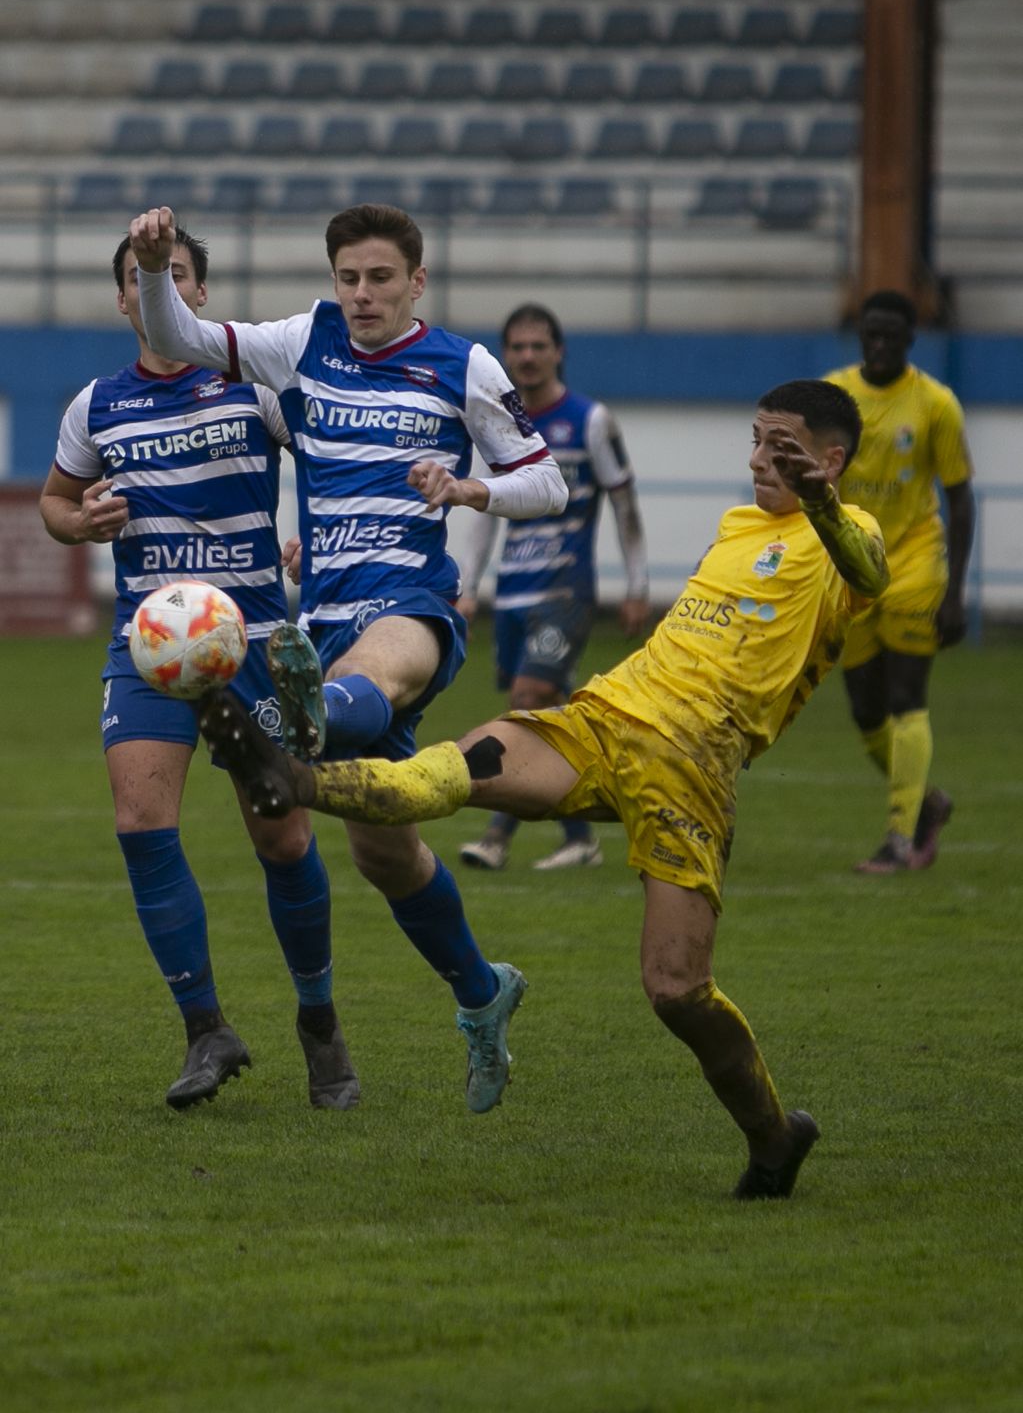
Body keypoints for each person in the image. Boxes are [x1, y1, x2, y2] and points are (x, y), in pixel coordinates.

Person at [197, 379, 889, 1199]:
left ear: (829, 458)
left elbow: (868, 569)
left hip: (691, 766)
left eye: (779, 447)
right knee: (447, 771)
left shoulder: (847, 536)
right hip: (602, 716)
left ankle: (773, 1137)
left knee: (675, 991)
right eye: (753, 439)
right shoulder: (739, 525)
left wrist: (824, 505)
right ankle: (291, 776)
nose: (756, 459)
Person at [128, 202, 568, 1114]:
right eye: (347, 278)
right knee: (383, 849)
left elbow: (548, 479)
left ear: (417, 280)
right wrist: (157, 264)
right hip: (321, 617)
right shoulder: (301, 343)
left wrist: (468, 487)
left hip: (411, 605)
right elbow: (184, 334)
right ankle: (483, 995)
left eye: (378, 278)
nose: (361, 295)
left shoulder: (463, 364)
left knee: (356, 686)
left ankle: (300, 715)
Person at [39, 226, 359, 1113]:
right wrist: (80, 522)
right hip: (149, 648)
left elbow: (329, 467)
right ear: (122, 300)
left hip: (252, 642)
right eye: (141, 278)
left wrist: (316, 544)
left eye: (173, 275)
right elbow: (56, 503)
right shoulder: (94, 406)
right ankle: (205, 1028)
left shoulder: (248, 387)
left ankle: (319, 1022)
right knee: (141, 821)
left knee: (282, 837)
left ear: (199, 295)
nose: (157, 287)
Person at [456, 302, 649, 873]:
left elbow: (624, 505)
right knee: (550, 715)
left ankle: (496, 838)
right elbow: (488, 506)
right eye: (517, 347)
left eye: (539, 346)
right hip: (514, 594)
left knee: (526, 700)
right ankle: (582, 836)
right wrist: (469, 586)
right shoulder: (503, 426)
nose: (528, 356)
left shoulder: (590, 420)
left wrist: (637, 586)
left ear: (559, 352)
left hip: (566, 593)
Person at [828, 291, 975, 874]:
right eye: (873, 334)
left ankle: (899, 837)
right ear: (860, 335)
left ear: (911, 341)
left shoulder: (936, 404)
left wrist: (956, 591)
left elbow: (960, 499)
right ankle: (928, 801)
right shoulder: (834, 397)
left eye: (893, 335)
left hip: (915, 561)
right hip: (853, 562)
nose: (882, 344)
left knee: (905, 697)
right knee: (865, 708)